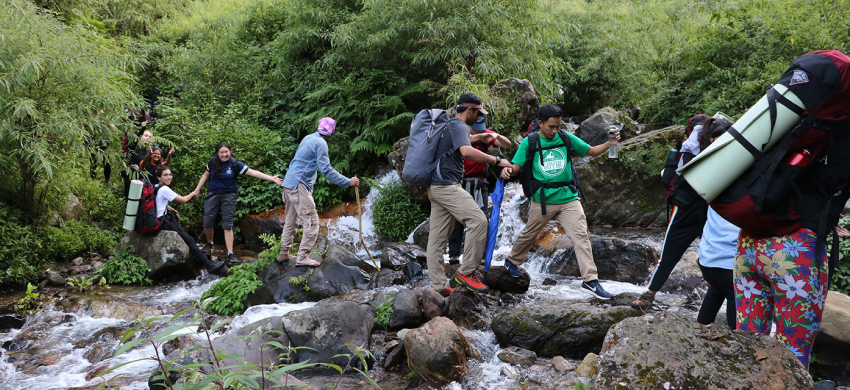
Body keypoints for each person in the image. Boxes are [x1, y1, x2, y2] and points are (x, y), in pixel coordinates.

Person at [505, 104, 618, 299]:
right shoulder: (530, 142)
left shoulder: (565, 137)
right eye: (551, 127)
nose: (554, 131)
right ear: (540, 123)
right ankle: (512, 261)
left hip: (568, 198)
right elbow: (516, 166)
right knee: (530, 232)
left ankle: (590, 280)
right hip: (543, 199)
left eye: (557, 126)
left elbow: (590, 151)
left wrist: (611, 142)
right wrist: (508, 170)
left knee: (581, 235)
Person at [631, 116, 724, 309]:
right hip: (688, 207)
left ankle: (718, 295)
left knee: (717, 256)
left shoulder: (725, 148)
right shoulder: (690, 148)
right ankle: (649, 294)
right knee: (669, 253)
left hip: (708, 208)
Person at [426, 93, 514, 295]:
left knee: (437, 240)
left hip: (436, 187)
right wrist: (496, 161)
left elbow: (464, 143)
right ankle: (466, 273)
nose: (479, 117)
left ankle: (439, 287)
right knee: (479, 221)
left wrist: (481, 138)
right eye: (478, 113)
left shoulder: (450, 125)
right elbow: (466, 151)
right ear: (469, 110)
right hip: (448, 187)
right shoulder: (458, 125)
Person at [277, 117, 359, 267]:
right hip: (298, 185)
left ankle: (283, 253)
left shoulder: (309, 137)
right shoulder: (321, 143)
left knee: (290, 221)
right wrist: (348, 182)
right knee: (312, 220)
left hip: (289, 183)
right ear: (331, 132)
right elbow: (326, 171)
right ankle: (302, 257)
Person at [193, 142, 283, 263]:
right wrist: (198, 188)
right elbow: (205, 175)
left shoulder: (235, 164)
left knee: (227, 224)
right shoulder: (213, 162)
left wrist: (271, 178)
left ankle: (230, 253)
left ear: (230, 152)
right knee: (207, 222)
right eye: (221, 152)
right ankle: (210, 242)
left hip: (229, 195)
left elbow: (254, 172)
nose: (224, 155)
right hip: (213, 194)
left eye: (226, 152)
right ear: (217, 153)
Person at [447, 114, 511, 265]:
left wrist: (495, 136)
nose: (477, 132)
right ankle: (454, 254)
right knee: (458, 218)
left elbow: (507, 144)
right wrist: (478, 137)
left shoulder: (484, 133)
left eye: (480, 130)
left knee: (483, 217)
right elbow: (461, 147)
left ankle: (481, 255)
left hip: (480, 181)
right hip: (460, 180)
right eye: (475, 130)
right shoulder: (460, 133)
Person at [693, 123, 737, 329]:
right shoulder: (740, 176)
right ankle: (740, 344)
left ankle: (699, 330)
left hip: (708, 257)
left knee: (717, 289)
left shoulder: (711, 176)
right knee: (733, 294)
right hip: (728, 261)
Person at [154, 167, 225, 275]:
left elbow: (158, 203)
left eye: (170, 174)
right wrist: (194, 192)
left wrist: (171, 208)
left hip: (158, 219)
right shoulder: (164, 189)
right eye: (165, 175)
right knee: (189, 240)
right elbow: (184, 199)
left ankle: (201, 263)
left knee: (187, 239)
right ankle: (208, 265)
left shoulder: (156, 187)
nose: (169, 177)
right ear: (159, 177)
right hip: (163, 222)